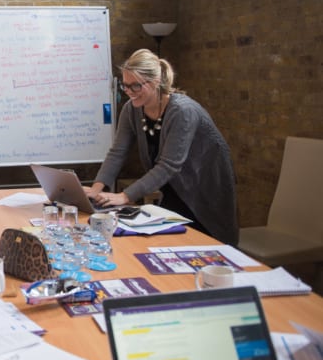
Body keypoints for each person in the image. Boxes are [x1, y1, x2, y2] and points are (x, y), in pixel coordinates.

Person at [85, 49, 238, 245]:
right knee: (171, 245)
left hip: (206, 189)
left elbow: (168, 165)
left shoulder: (183, 111)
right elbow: (118, 152)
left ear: (156, 82)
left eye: (136, 86)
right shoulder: (131, 109)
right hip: (175, 186)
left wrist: (124, 196)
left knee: (205, 246)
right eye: (126, 85)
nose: (129, 92)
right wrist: (96, 189)